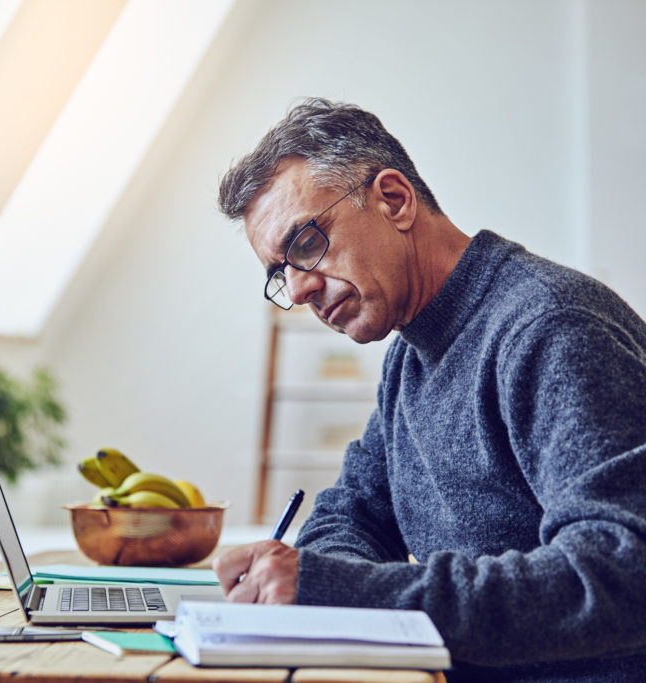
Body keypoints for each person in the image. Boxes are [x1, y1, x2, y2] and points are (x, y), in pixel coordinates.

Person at [211, 98, 646, 682]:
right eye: (279, 274)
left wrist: (346, 592)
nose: (302, 288)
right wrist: (329, 586)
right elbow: (351, 516)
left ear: (394, 199)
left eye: (307, 243)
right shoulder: (409, 357)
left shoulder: (551, 327)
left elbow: (623, 573)